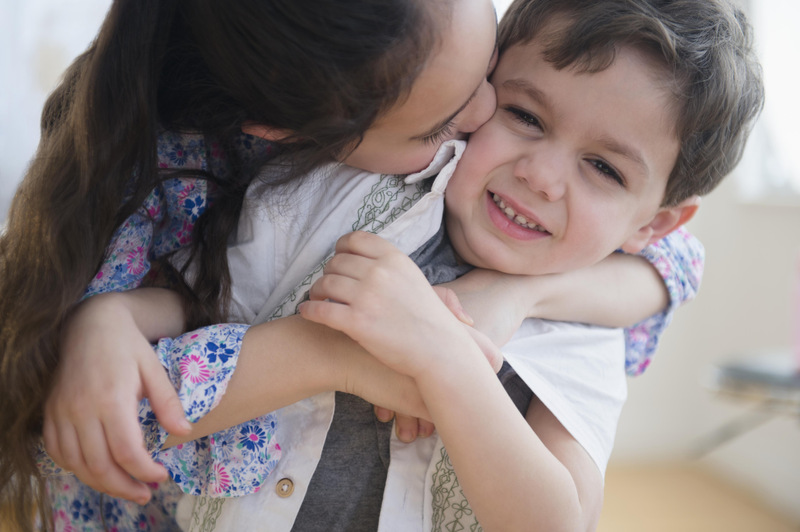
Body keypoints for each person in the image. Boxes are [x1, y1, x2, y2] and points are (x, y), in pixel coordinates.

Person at [42, 0, 761, 531]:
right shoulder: (323, 195)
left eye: (602, 167)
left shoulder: (577, 329)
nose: (541, 176)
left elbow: (557, 522)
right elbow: (196, 316)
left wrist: (448, 363)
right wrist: (110, 317)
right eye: (525, 116)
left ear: (656, 224)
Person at [0, 0, 502, 530]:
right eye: (439, 127)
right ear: (285, 132)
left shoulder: (411, 93)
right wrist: (331, 355)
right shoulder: (147, 177)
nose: (490, 112)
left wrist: (512, 295)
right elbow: (51, 427)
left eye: (492, 63)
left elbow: (599, 260)